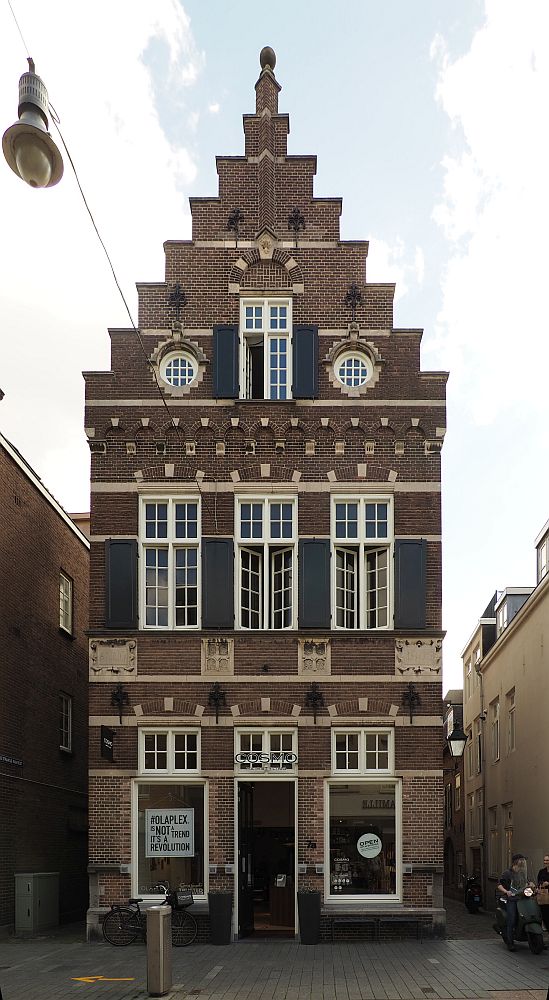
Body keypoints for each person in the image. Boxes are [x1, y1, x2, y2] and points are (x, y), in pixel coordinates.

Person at [497, 853, 527, 951]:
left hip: (521, 898)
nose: (523, 862)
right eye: (521, 860)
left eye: (523, 860)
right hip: (511, 899)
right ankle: (510, 942)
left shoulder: (522, 873)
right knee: (512, 918)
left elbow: (526, 883)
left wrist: (530, 884)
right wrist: (506, 891)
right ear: (516, 862)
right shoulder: (507, 873)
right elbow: (499, 885)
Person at [536, 853, 549, 933]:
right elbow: (538, 881)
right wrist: (541, 884)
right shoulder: (542, 871)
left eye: (547, 860)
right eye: (544, 860)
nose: (546, 862)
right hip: (544, 895)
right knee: (545, 914)